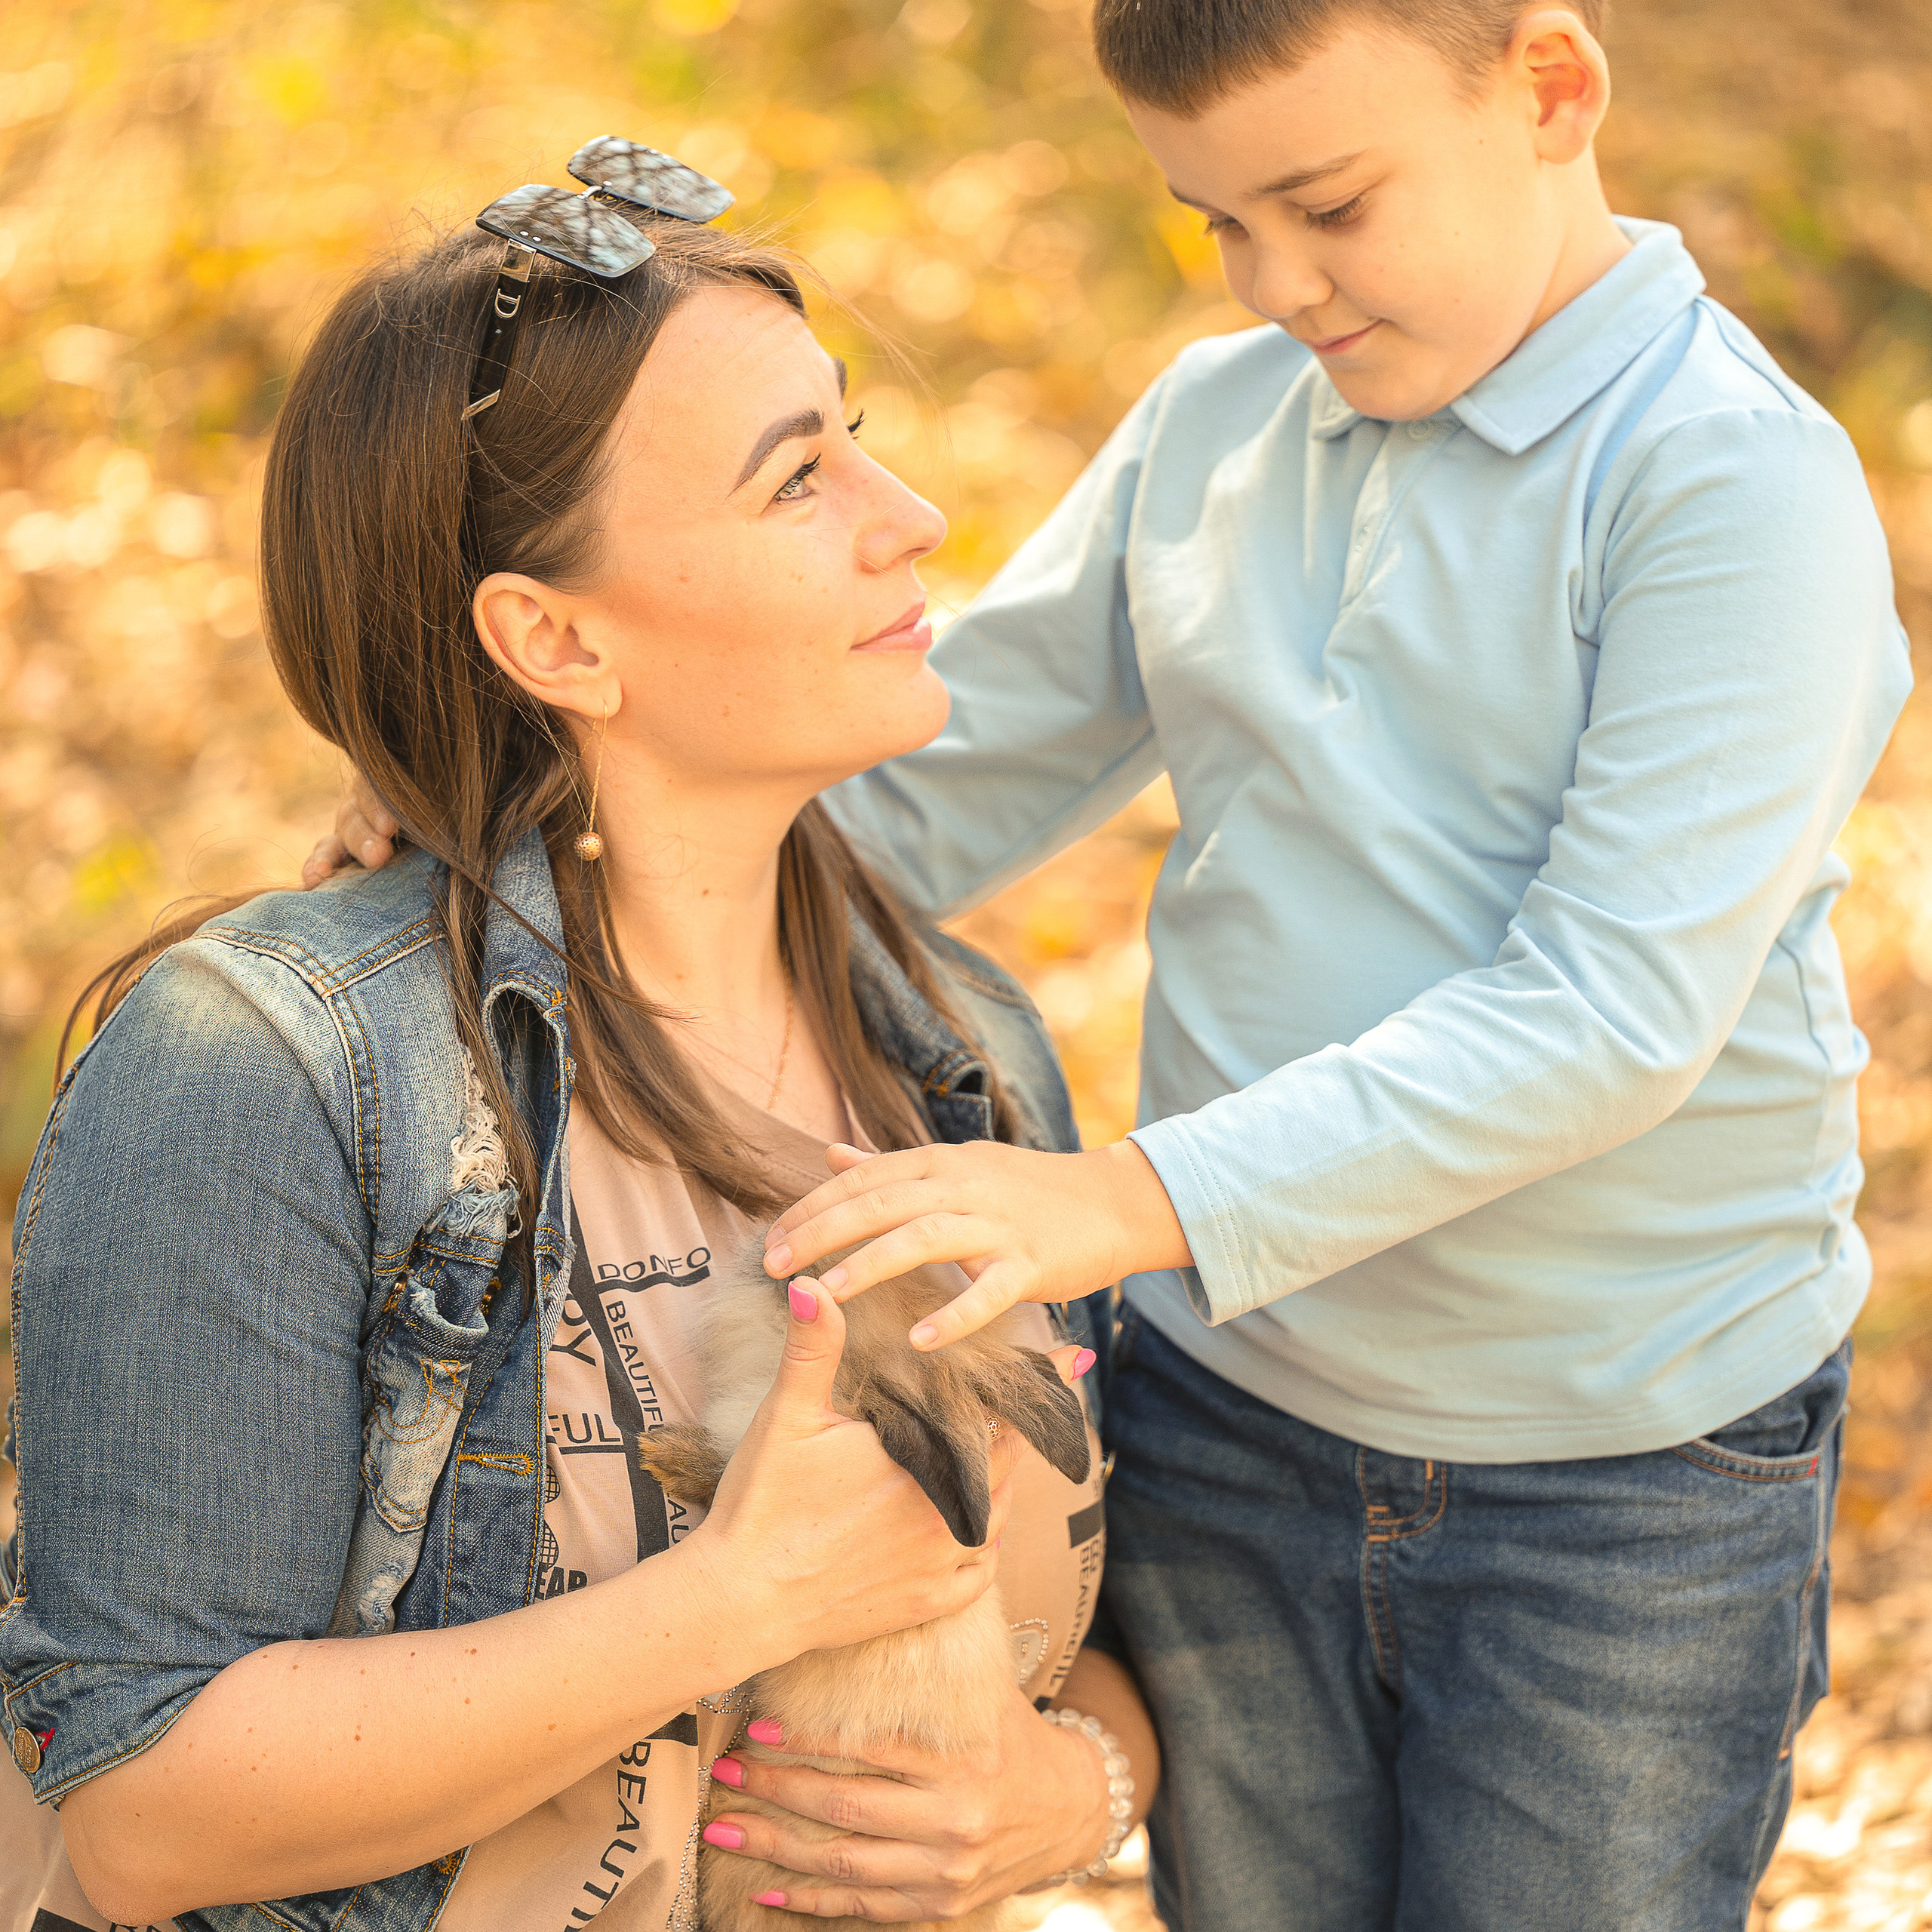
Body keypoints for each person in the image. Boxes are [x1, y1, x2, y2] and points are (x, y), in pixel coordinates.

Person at [321, 4, 1910, 1926]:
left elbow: (1610, 1012)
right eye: (1215, 222)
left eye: (1325, 204)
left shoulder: (1725, 484)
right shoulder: (1220, 427)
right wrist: (506, 831)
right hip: (1235, 1406)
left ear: (1551, 88)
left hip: (1622, 1456)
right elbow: (914, 791)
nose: (1277, 281)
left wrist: (1118, 1195)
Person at [0, 159, 1156, 1932]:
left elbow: (1109, 1655)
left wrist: (1065, 1793)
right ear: (554, 636)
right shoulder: (267, 1069)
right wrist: (738, 1597)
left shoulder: (964, 1054)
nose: (909, 511)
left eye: (852, 437)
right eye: (796, 477)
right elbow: (146, 1800)